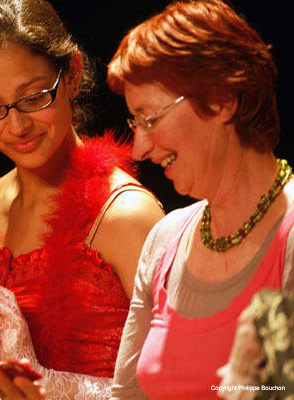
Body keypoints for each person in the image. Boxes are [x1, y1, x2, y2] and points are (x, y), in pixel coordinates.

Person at [0, 0, 164, 398]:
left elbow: (177, 381)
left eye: (33, 97)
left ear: (73, 75)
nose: (17, 125)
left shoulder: (126, 214)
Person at [106, 0, 294, 398]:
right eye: (135, 122)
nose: (139, 148)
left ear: (223, 99)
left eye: (151, 118)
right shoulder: (165, 239)